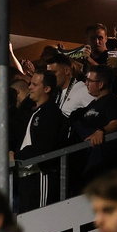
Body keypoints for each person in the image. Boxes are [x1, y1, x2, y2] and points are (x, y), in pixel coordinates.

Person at [16, 69, 67, 211]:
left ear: (47, 88)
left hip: (41, 175)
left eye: (34, 84)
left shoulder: (51, 112)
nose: (30, 87)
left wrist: (16, 156)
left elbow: (43, 146)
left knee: (41, 218)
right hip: (26, 176)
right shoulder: (33, 112)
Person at [47, 52, 94, 118]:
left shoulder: (83, 90)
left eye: (54, 72)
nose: (51, 77)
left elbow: (98, 114)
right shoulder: (57, 94)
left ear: (67, 70)